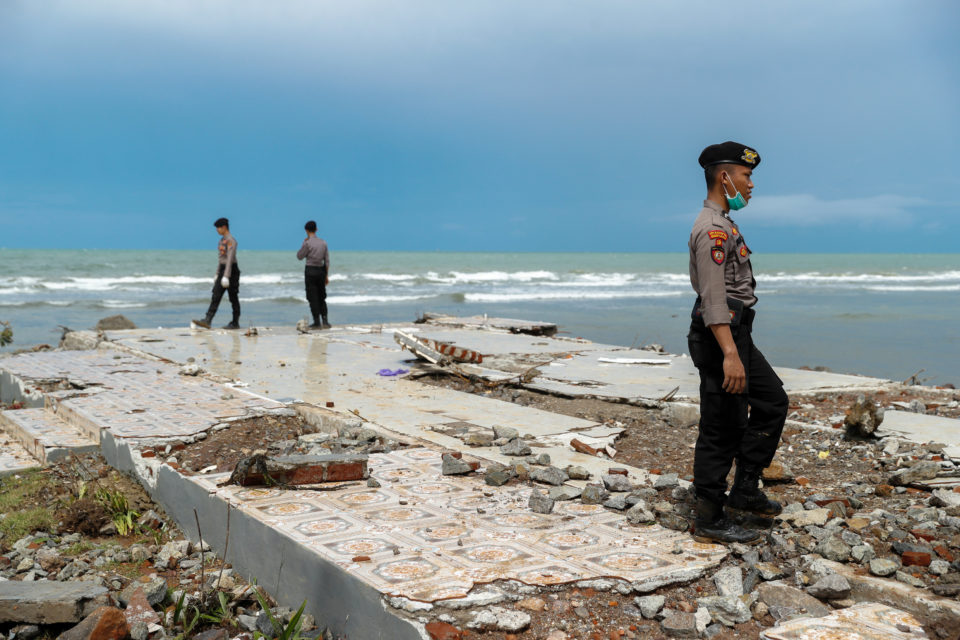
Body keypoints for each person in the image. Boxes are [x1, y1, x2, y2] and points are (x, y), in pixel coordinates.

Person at [686, 141, 788, 545]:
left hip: (737, 332)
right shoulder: (711, 228)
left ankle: (745, 490)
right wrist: (730, 354)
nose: (750, 185)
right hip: (720, 337)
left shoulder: (726, 223)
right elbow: (713, 298)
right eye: (746, 176)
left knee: (771, 401)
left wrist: (738, 345)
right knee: (722, 424)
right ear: (724, 177)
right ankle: (709, 515)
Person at [193, 217, 241, 330]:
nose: (217, 230)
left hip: (231, 271)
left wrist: (226, 276)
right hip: (223, 270)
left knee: (233, 297)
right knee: (216, 294)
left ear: (224, 227)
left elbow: (230, 258)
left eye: (218, 228)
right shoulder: (221, 241)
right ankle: (208, 319)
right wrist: (217, 273)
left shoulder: (231, 241)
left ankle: (235, 322)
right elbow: (221, 259)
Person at [296, 220, 331, 329]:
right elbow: (327, 261)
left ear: (306, 230)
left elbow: (299, 256)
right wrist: (326, 275)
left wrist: (303, 243)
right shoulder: (323, 243)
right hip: (321, 271)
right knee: (322, 296)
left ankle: (316, 322)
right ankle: (325, 321)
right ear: (316, 229)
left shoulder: (307, 243)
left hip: (310, 271)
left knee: (312, 297)